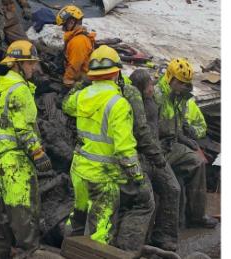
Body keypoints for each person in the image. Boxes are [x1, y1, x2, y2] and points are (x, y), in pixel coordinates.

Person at [62, 45, 152, 245]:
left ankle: (66, 251)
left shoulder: (81, 96)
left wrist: (81, 85)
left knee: (77, 217)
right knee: (100, 232)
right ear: (117, 72)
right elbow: (124, 150)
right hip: (103, 178)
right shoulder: (118, 104)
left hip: (79, 172)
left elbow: (66, 105)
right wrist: (137, 176)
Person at [0, 40, 53, 259]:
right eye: (30, 63)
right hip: (15, 163)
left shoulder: (1, 89)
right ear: (17, 64)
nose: (34, 68)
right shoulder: (21, 89)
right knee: (25, 221)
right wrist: (37, 152)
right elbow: (22, 126)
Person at [115, 70, 180, 252]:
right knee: (143, 200)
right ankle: (127, 248)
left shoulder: (152, 101)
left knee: (172, 188)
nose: (152, 88)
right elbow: (140, 132)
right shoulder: (132, 102)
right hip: (141, 156)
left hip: (154, 154)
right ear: (141, 88)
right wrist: (156, 156)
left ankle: (164, 237)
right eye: (149, 85)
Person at [153, 58, 218, 228]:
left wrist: (188, 140)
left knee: (198, 163)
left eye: (186, 83)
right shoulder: (155, 96)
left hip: (172, 145)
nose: (184, 87)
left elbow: (178, 125)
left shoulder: (180, 98)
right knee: (172, 185)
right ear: (170, 78)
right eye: (181, 83)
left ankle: (197, 215)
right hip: (156, 148)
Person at [56, 5, 96, 88]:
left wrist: (67, 80)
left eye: (64, 26)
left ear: (71, 22)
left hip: (82, 78)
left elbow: (75, 65)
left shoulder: (78, 42)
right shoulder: (78, 36)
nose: (63, 29)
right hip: (82, 74)